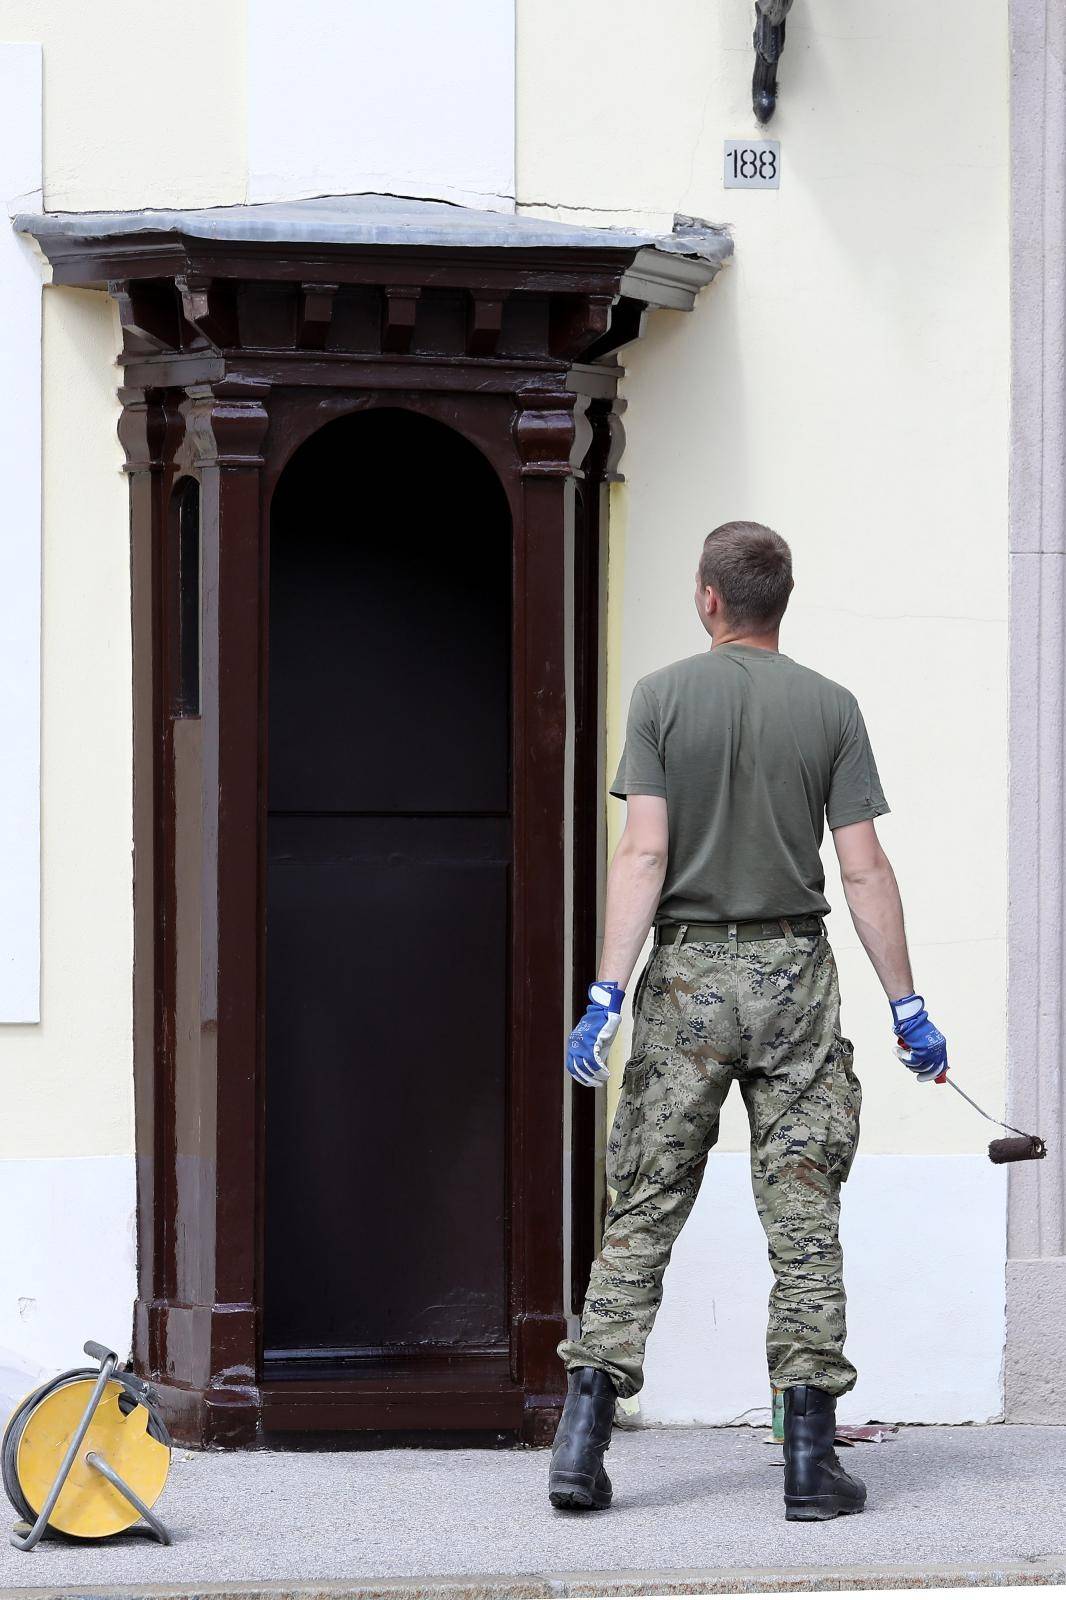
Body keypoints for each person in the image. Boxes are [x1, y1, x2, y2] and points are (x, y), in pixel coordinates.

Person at [548, 521, 947, 1521]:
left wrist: (604, 992)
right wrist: (908, 1005)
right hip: (792, 976)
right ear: (782, 600)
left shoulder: (661, 699)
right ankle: (810, 1465)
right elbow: (861, 867)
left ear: (709, 599)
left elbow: (642, 855)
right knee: (802, 1216)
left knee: (643, 1204)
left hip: (684, 974)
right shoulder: (830, 708)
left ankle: (580, 1448)